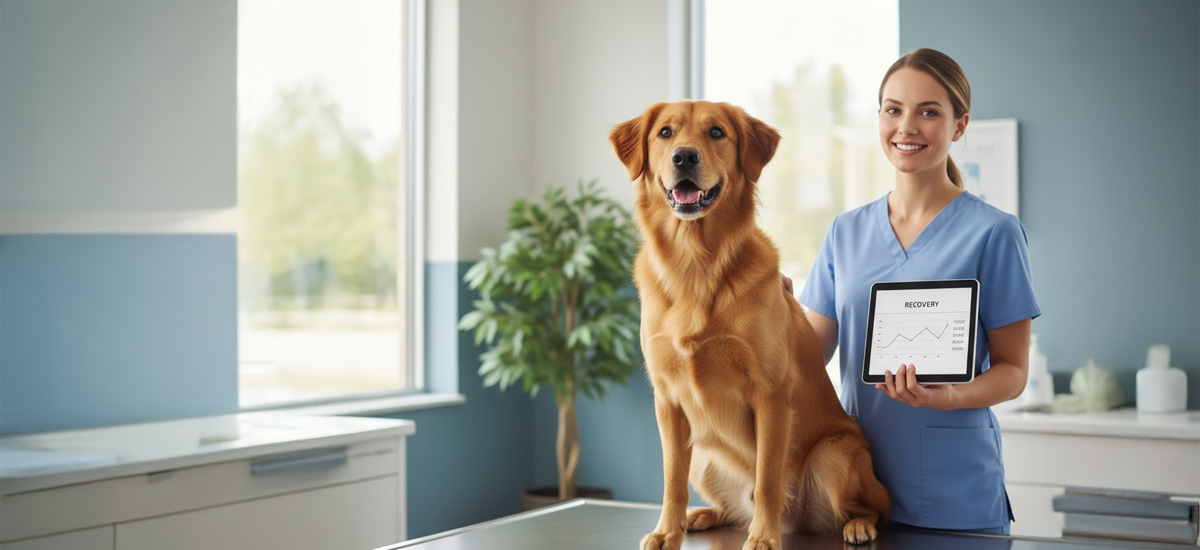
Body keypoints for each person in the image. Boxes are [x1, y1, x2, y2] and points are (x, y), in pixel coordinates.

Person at [788, 48, 1040, 535]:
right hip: (852, 491)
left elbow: (1012, 373)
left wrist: (947, 396)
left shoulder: (995, 233)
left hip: (954, 492)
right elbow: (808, 353)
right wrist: (773, 310)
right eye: (893, 109)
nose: (906, 126)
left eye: (929, 112)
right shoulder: (846, 231)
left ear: (959, 126)